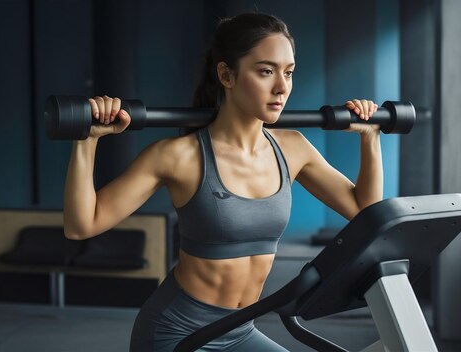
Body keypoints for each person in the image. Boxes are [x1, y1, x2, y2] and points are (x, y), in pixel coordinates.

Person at [63, 13, 382, 352]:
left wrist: (370, 137)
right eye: (265, 71)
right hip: (177, 333)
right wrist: (87, 140)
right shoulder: (178, 156)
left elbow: (365, 211)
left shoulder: (293, 148)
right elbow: (82, 225)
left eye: (288, 72)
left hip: (240, 331)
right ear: (226, 75)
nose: (282, 86)